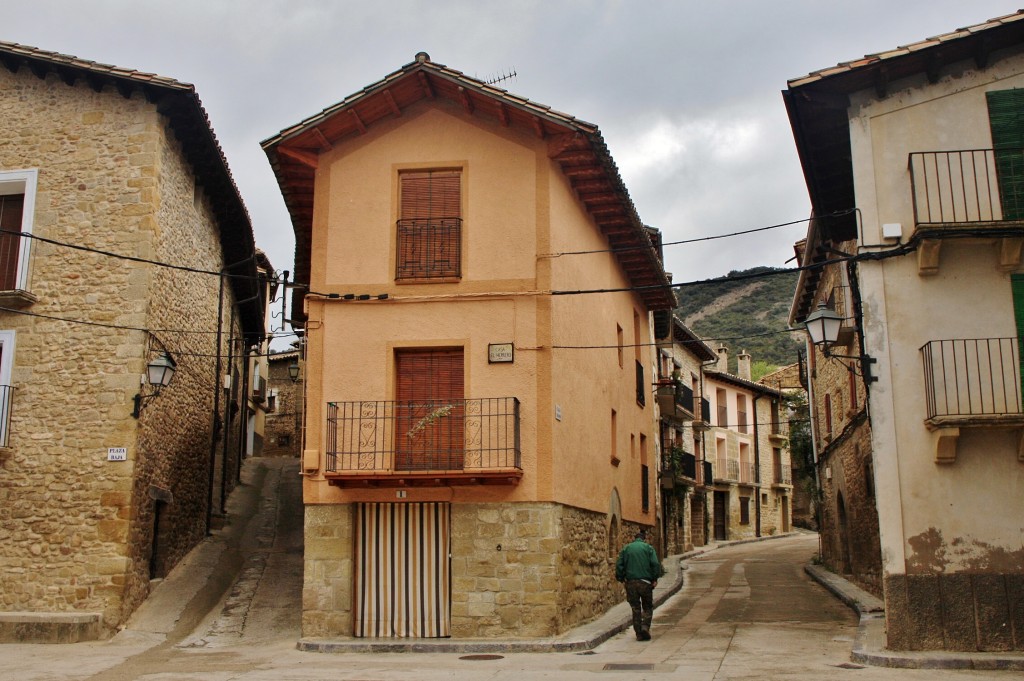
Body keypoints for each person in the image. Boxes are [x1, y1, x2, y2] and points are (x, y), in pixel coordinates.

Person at [615, 528, 664, 641]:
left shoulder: (626, 549)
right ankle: (645, 626)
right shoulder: (648, 548)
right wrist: (654, 578)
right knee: (647, 606)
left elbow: (619, 565)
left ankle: (638, 633)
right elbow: (655, 564)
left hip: (631, 583)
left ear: (635, 539)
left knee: (635, 608)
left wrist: (621, 578)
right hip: (645, 582)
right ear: (643, 539)